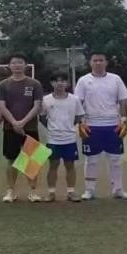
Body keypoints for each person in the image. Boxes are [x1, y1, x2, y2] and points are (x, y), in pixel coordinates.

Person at [73, 52, 127, 200]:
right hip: (91, 125)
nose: (98, 63)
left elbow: (123, 100)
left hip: (113, 125)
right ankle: (89, 190)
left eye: (101, 60)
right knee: (91, 159)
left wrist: (124, 120)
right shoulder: (83, 81)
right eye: (95, 60)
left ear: (106, 62)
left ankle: (118, 189)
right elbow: (78, 102)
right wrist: (81, 122)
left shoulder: (115, 79)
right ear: (90, 63)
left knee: (116, 159)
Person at [0, 54, 45, 202]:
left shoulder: (35, 84)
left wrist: (22, 122)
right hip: (10, 128)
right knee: (11, 159)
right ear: (9, 66)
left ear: (25, 65)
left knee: (32, 160)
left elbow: (37, 106)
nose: (17, 65)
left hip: (30, 127)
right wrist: (14, 122)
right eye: (14, 63)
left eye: (20, 62)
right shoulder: (3, 85)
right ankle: (10, 191)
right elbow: (1, 105)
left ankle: (33, 191)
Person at [40, 71, 84, 202]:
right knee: (53, 165)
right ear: (52, 83)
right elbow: (42, 117)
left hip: (69, 139)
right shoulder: (46, 100)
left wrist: (68, 127)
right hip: (53, 139)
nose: (60, 83)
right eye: (56, 81)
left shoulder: (74, 99)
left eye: (63, 81)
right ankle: (51, 193)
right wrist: (52, 128)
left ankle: (71, 192)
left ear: (67, 83)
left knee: (70, 165)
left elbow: (78, 116)